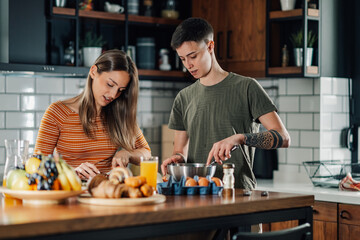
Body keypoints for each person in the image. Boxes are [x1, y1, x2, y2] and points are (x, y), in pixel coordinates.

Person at [161, 18, 290, 190]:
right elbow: (180, 150)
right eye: (183, 59)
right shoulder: (183, 97)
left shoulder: (247, 87)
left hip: (238, 194)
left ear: (210, 46)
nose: (188, 65)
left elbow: (283, 137)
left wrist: (240, 138)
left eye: (193, 56)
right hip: (196, 194)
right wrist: (177, 159)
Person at [34, 49, 151, 180]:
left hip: (108, 193)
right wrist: (72, 172)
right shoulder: (58, 112)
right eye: (110, 84)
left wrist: (127, 154)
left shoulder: (119, 113)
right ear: (93, 71)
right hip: (72, 193)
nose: (113, 95)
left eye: (120, 90)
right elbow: (37, 165)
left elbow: (147, 153)